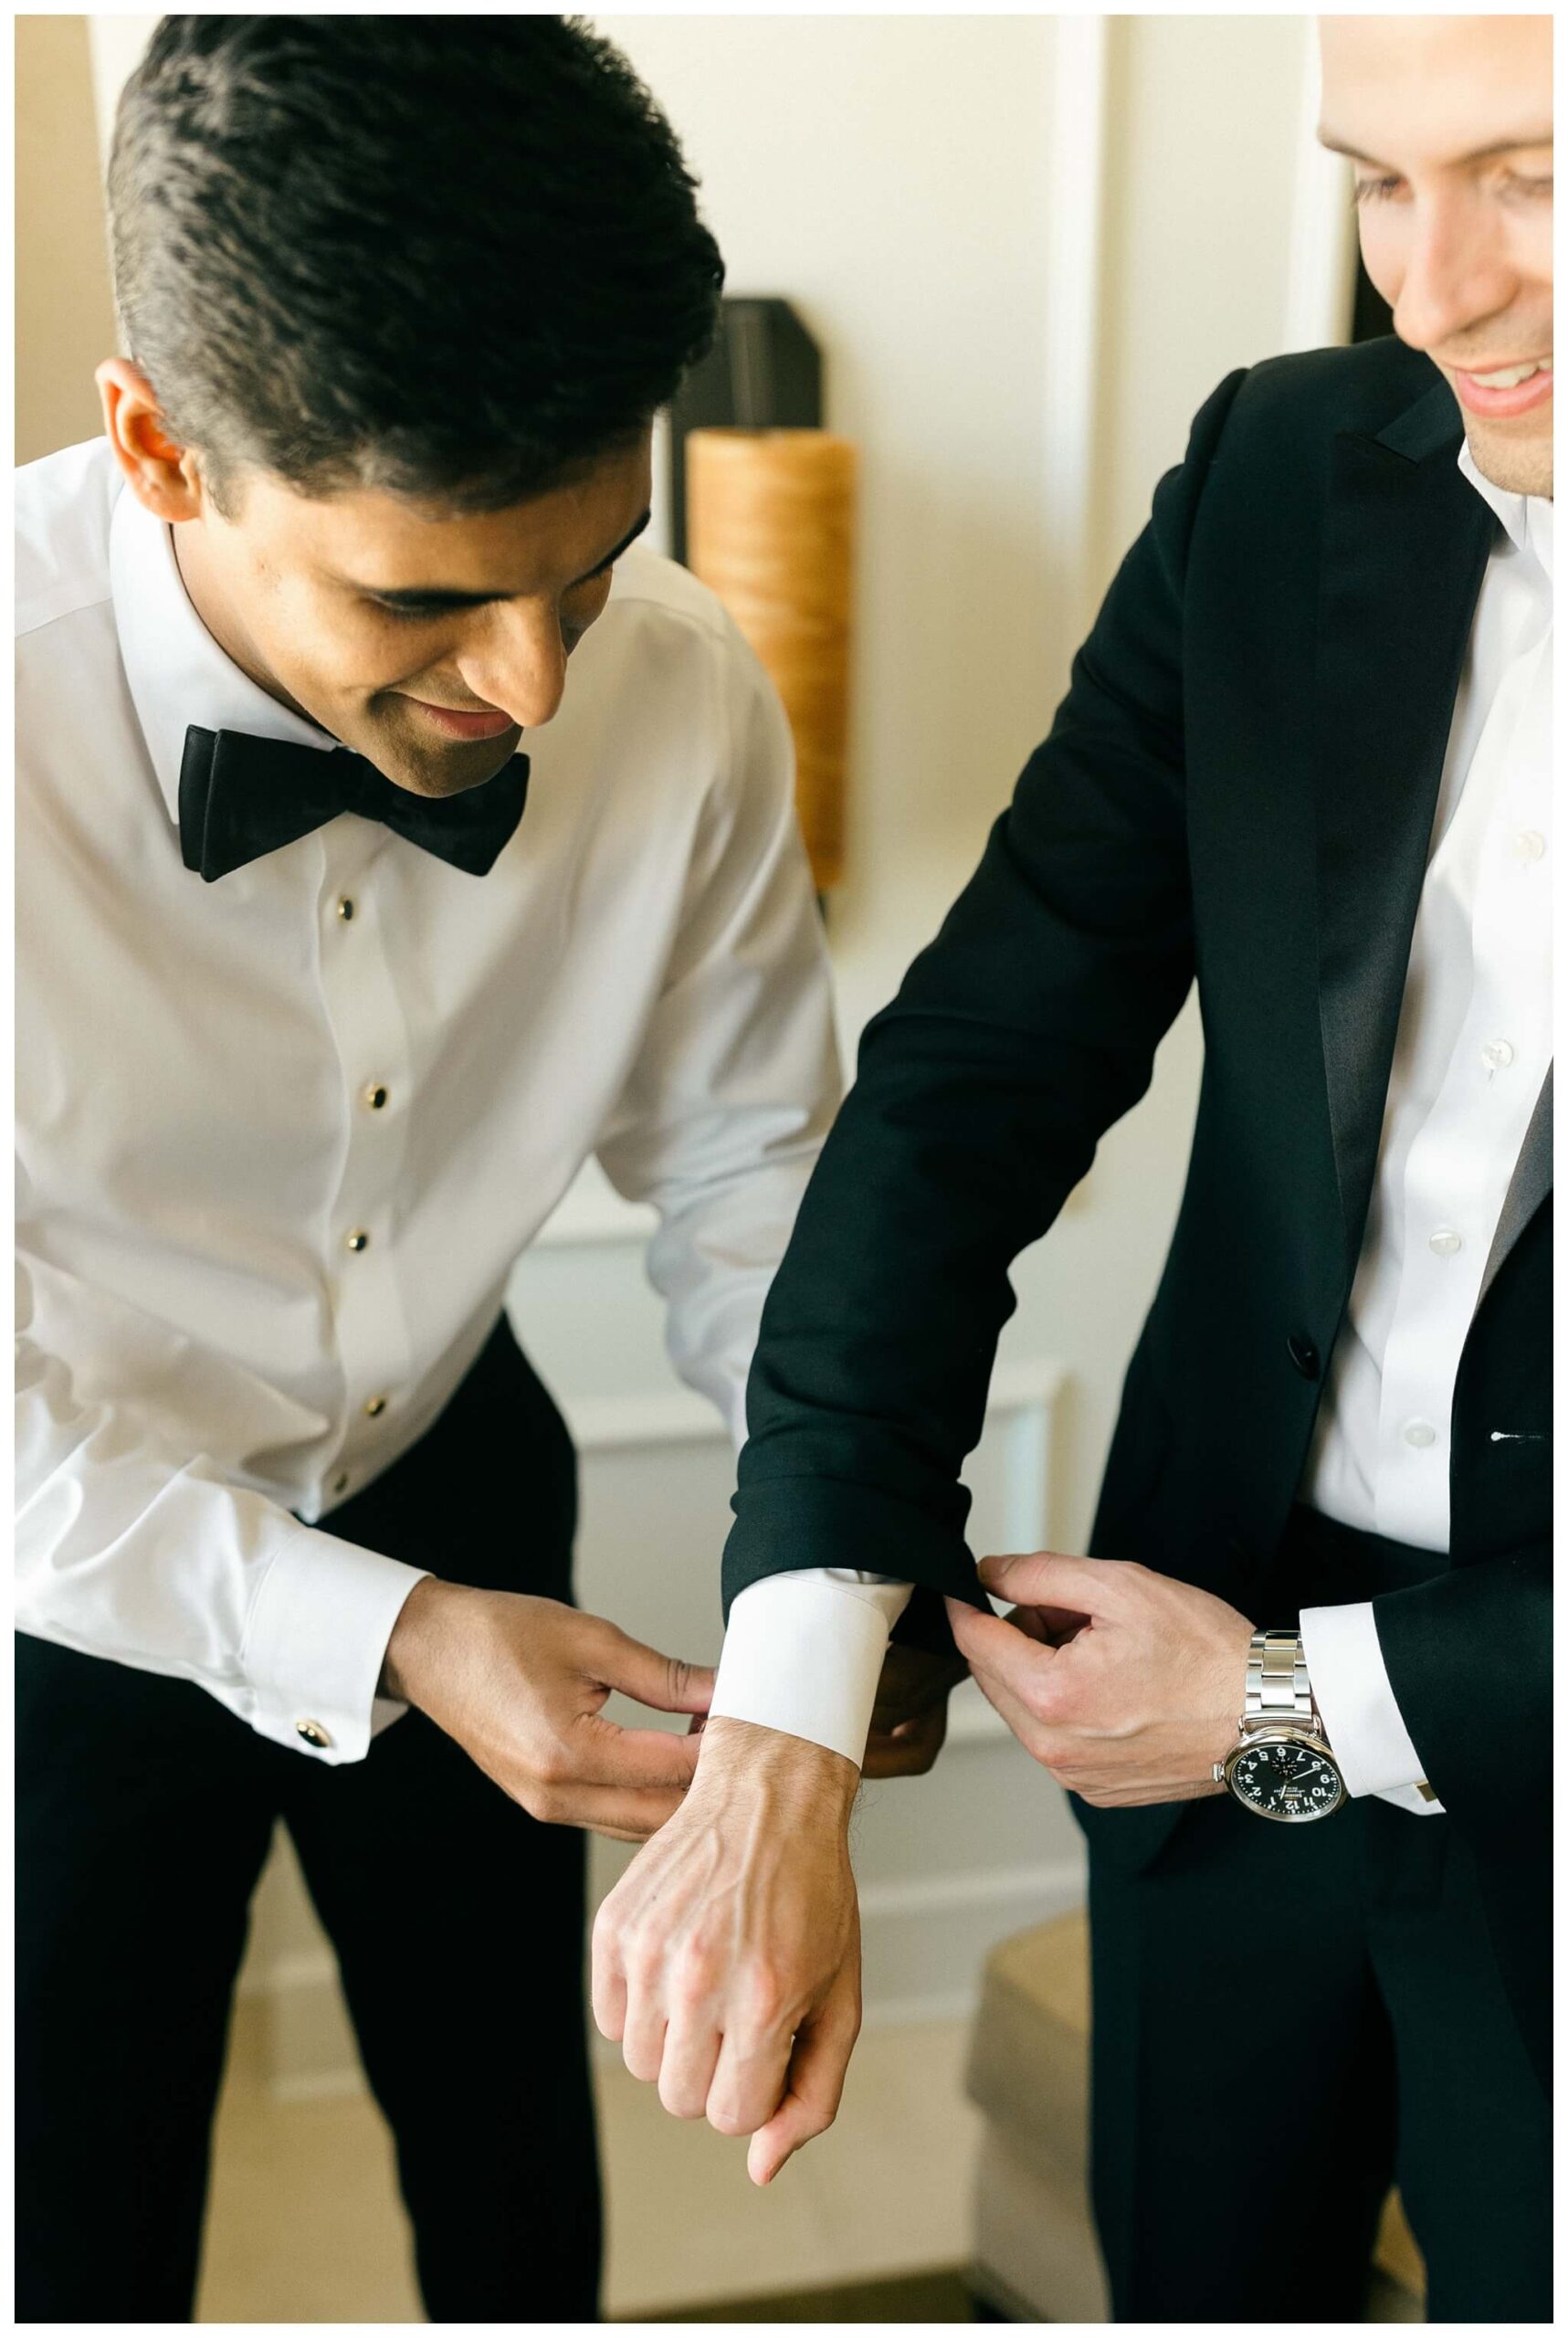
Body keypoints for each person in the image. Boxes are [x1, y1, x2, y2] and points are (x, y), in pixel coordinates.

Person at [594, 14, 1552, 2322]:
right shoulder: (1282, 469)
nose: (1430, 293)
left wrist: (1298, 1703)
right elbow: (975, 1072)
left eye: (1531, 176)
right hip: (1204, 1672)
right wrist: (795, 1718)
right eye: (1374, 180)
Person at [14, 16, 869, 2322]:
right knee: (64, 2225)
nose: (543, 689)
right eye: (423, 603)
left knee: (514, 2172)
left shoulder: (678, 693)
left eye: (586, 571)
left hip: (463, 1472)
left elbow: (756, 1172)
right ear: (159, 445)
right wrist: (380, 1635)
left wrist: (830, 1610)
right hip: (58, 1577)